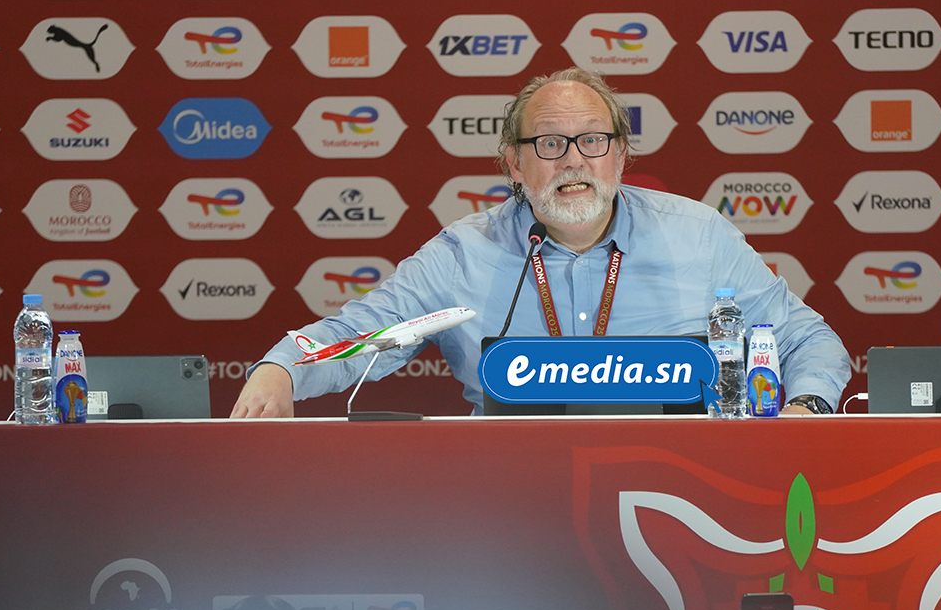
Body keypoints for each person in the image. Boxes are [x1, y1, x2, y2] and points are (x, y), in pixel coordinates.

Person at [231, 67, 850, 417]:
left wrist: (806, 409)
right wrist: (280, 372)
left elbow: (808, 339)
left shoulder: (699, 236)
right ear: (514, 164)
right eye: (550, 144)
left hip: (679, 487)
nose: (573, 161)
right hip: (514, 501)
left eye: (593, 141)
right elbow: (361, 334)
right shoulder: (463, 255)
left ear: (621, 156)